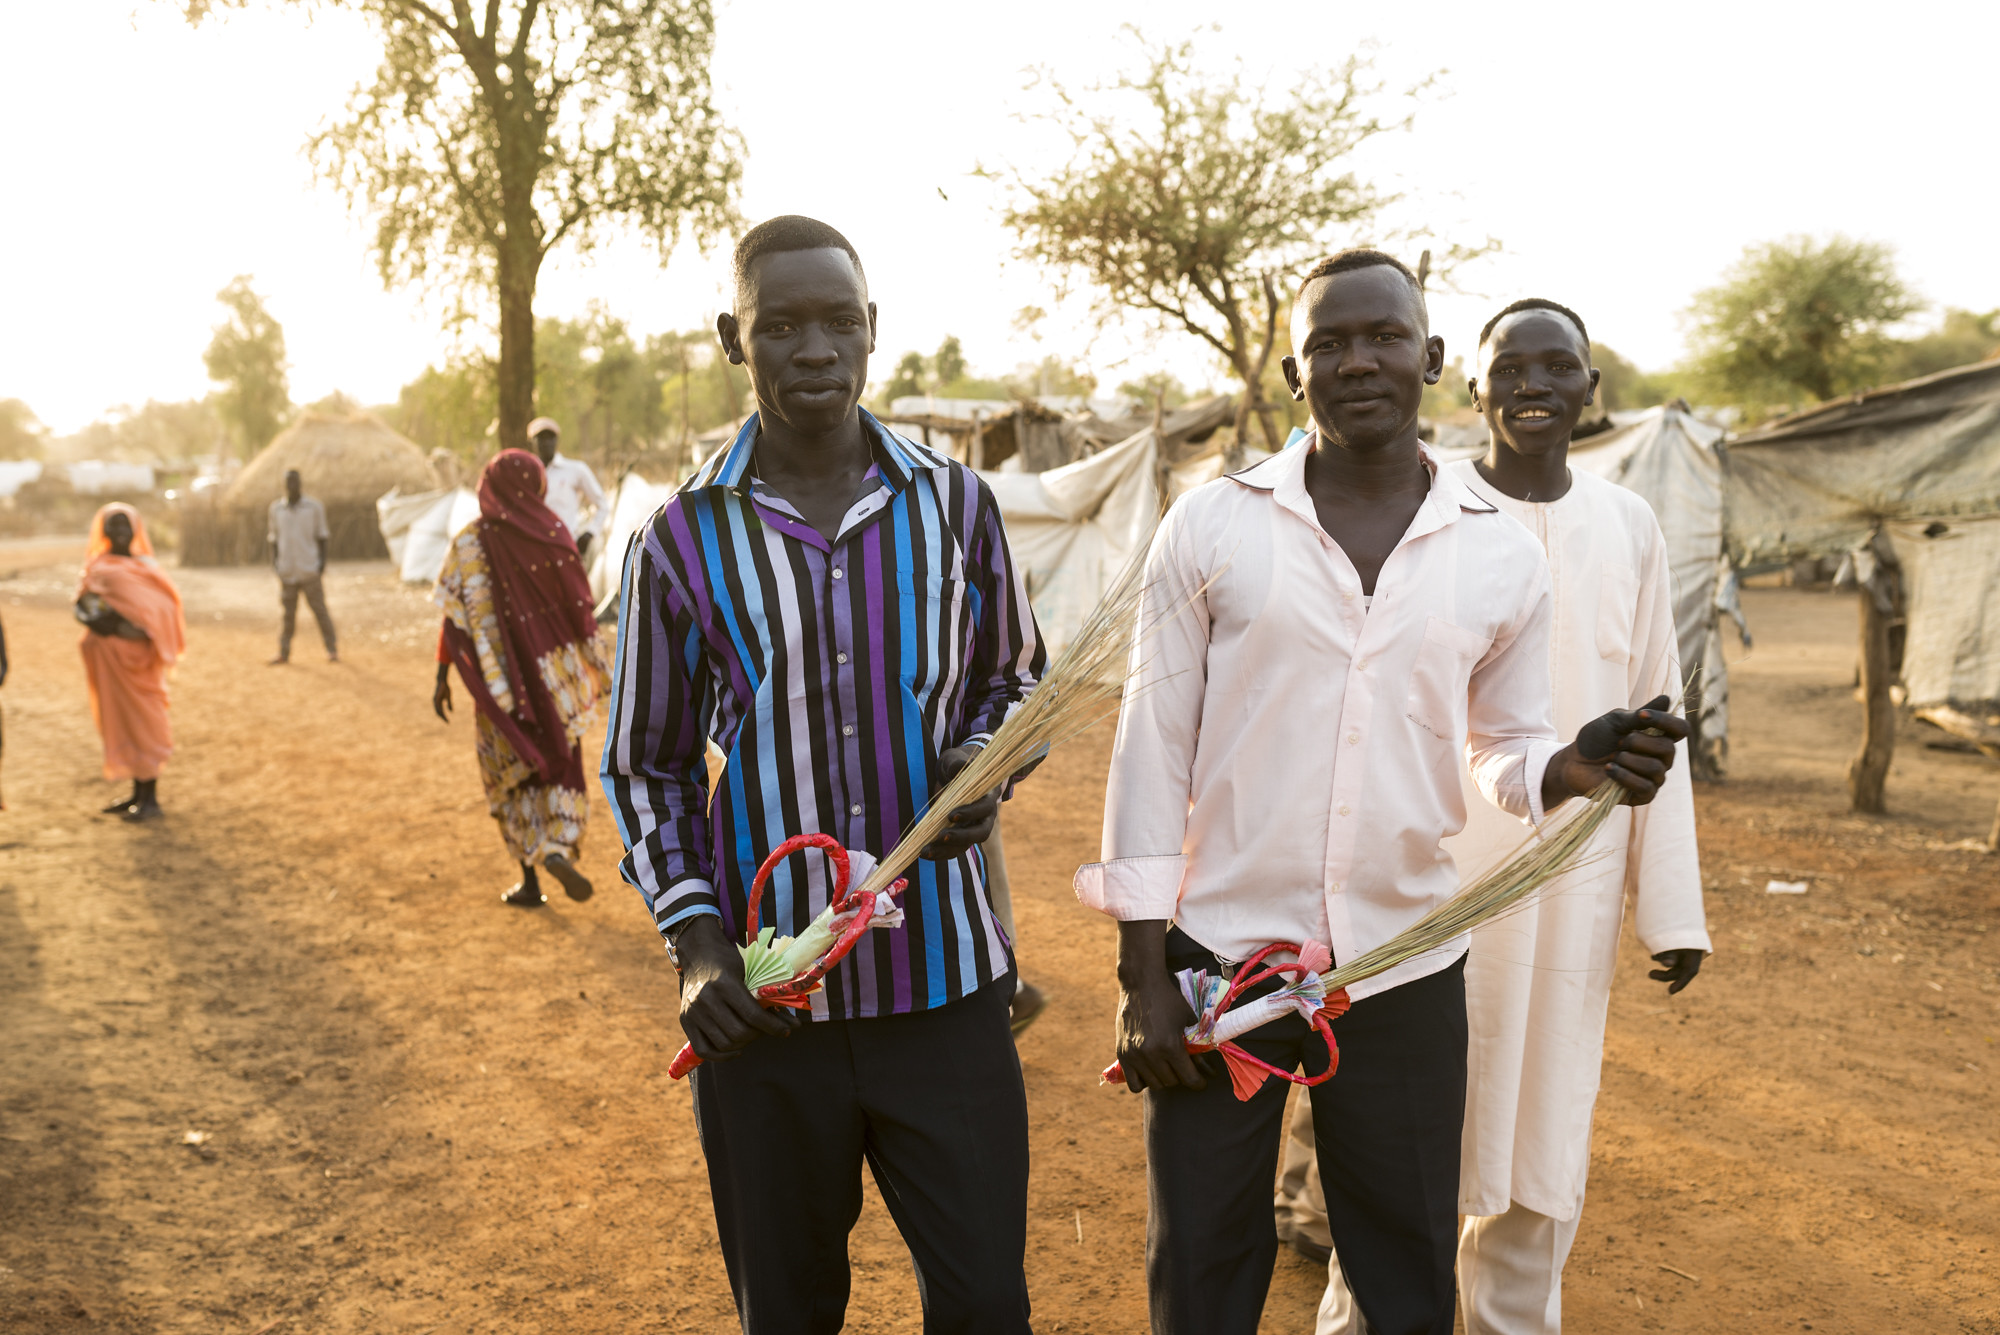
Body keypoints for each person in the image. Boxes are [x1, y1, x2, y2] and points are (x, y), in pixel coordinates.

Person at [1075, 250, 1688, 1335]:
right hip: (1218, 963)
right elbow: (1149, 749)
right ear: (1290, 370)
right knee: (1202, 1271)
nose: (1356, 361)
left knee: (1402, 1275)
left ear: (1431, 358)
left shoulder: (1497, 555)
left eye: (1383, 338)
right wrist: (1140, 971)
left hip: (1403, 961)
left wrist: (1560, 768)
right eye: (1327, 344)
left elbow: (1500, 743)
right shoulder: (1210, 527)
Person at [601, 215, 1046, 1335]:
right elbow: (647, 767)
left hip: (945, 992)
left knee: (987, 1305)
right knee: (788, 1314)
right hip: (767, 1010)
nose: (813, 351)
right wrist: (701, 954)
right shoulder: (679, 538)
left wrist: (980, 770)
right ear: (729, 339)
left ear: (873, 332)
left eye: (837, 323)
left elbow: (1020, 685)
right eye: (780, 326)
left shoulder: (954, 507)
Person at [1295, 299, 1714, 1334]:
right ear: (1468, 388)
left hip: (1570, 878)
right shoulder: (1422, 512)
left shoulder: (1627, 526)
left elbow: (1660, 709)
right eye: (1508, 369)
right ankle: (1357, 1316)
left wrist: (1668, 909)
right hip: (1429, 872)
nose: (1532, 385)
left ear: (1589, 390)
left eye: (1556, 366)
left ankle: (1513, 1319)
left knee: (1540, 1128)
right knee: (1404, 1128)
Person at [432, 449, 608, 907]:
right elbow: (580, 607)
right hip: (554, 683)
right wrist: (589, 665)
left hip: (499, 687)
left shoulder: (469, 543)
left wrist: (442, 675)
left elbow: (456, 621)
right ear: (538, 485)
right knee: (561, 761)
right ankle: (558, 845)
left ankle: (530, 879)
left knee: (511, 773)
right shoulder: (554, 535)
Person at [76, 504, 187, 821]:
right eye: (114, 526)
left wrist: (141, 629)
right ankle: (137, 795)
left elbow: (166, 608)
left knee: (147, 724)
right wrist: (99, 623)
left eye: (126, 525)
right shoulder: (98, 565)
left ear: (136, 529)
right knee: (122, 722)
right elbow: (83, 605)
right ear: (104, 531)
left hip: (141, 662)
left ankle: (151, 799)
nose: (121, 532)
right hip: (110, 661)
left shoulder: (147, 568)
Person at [267, 468, 338, 665]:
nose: (291, 486)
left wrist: (320, 565)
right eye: (288, 482)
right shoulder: (276, 510)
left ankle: (332, 649)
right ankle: (283, 652)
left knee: (320, 611)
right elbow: (273, 540)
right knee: (287, 615)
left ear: (300, 484)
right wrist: (276, 565)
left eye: (294, 482)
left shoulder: (314, 508)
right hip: (287, 570)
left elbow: (323, 537)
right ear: (284, 485)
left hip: (309, 569)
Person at [528, 417, 608, 561]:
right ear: (532, 441)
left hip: (567, 547)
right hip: (534, 549)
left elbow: (602, 504)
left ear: (556, 440)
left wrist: (590, 533)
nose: (546, 443)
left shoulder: (575, 470)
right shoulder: (527, 473)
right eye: (541, 438)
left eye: (550, 437)